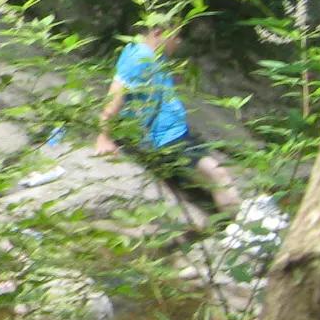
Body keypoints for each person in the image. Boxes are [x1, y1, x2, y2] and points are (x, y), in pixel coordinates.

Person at [93, 23, 241, 218]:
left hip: (175, 132)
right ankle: (238, 228)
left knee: (212, 175)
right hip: (164, 138)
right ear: (158, 33)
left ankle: (228, 218)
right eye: (176, 36)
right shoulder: (138, 59)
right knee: (218, 174)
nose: (179, 41)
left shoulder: (154, 55)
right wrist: (104, 137)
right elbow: (114, 99)